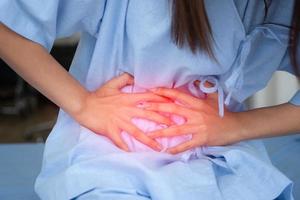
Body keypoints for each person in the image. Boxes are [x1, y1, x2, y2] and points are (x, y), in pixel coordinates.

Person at [0, 0, 299, 199]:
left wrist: (239, 125)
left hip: (225, 164)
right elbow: (7, 23)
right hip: (112, 162)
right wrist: (83, 104)